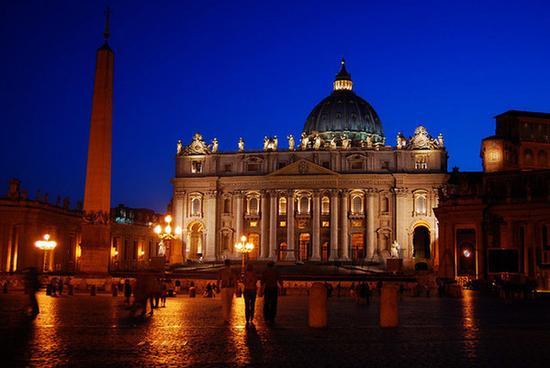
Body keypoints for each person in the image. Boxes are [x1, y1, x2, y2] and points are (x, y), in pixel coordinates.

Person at [217, 259, 237, 324]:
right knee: (229, 303)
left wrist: (217, 288)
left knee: (224, 303)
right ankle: (227, 317)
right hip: (231, 288)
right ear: (230, 264)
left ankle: (225, 318)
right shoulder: (233, 271)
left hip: (224, 288)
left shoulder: (221, 271)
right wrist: (236, 288)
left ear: (224, 263)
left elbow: (218, 280)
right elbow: (235, 280)